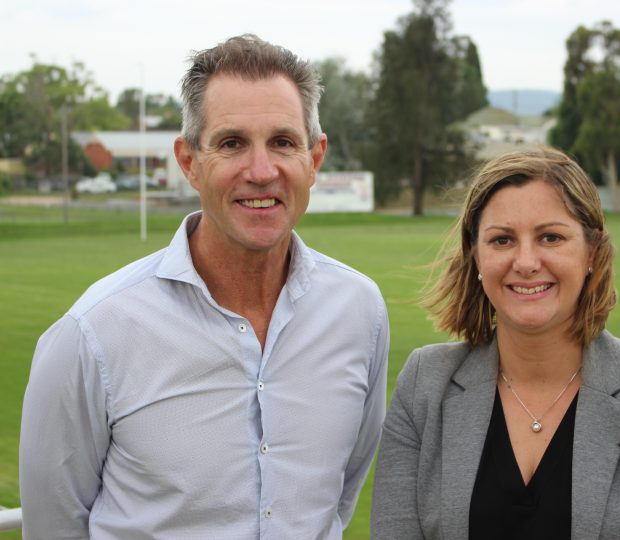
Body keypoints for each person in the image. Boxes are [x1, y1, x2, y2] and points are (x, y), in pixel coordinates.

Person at [19, 34, 389, 539]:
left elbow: (337, 498)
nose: (261, 172)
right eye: (232, 143)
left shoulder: (358, 311)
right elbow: (54, 527)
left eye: (283, 142)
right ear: (189, 161)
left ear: (314, 158)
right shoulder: (93, 333)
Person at [370, 148, 620, 539]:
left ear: (592, 253)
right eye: (502, 240)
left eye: (551, 237)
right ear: (476, 257)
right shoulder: (424, 384)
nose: (527, 261)